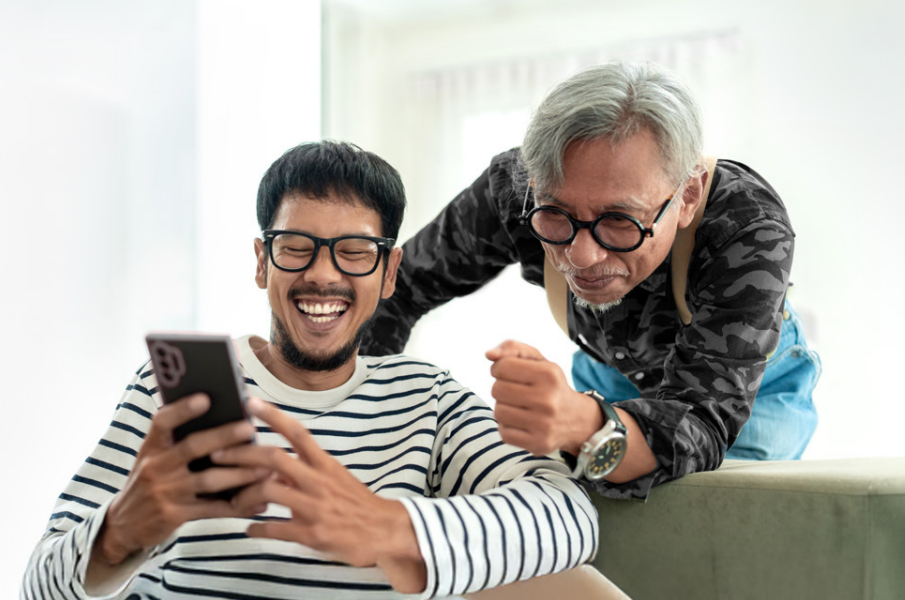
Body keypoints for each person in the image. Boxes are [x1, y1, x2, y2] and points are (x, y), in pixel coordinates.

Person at [22, 141, 598, 600]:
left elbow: (571, 518)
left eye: (354, 251)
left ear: (390, 272)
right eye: (296, 246)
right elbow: (39, 583)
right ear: (260, 261)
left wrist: (390, 528)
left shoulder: (430, 401)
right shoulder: (168, 390)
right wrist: (120, 530)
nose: (323, 275)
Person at [360, 61, 821, 500]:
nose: (580, 257)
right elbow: (393, 291)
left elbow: (699, 422)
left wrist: (583, 424)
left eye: (620, 220)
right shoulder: (513, 191)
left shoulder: (746, 225)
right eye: (556, 214)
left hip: (743, 391)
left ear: (688, 194)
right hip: (610, 369)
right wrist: (370, 422)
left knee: (712, 522)